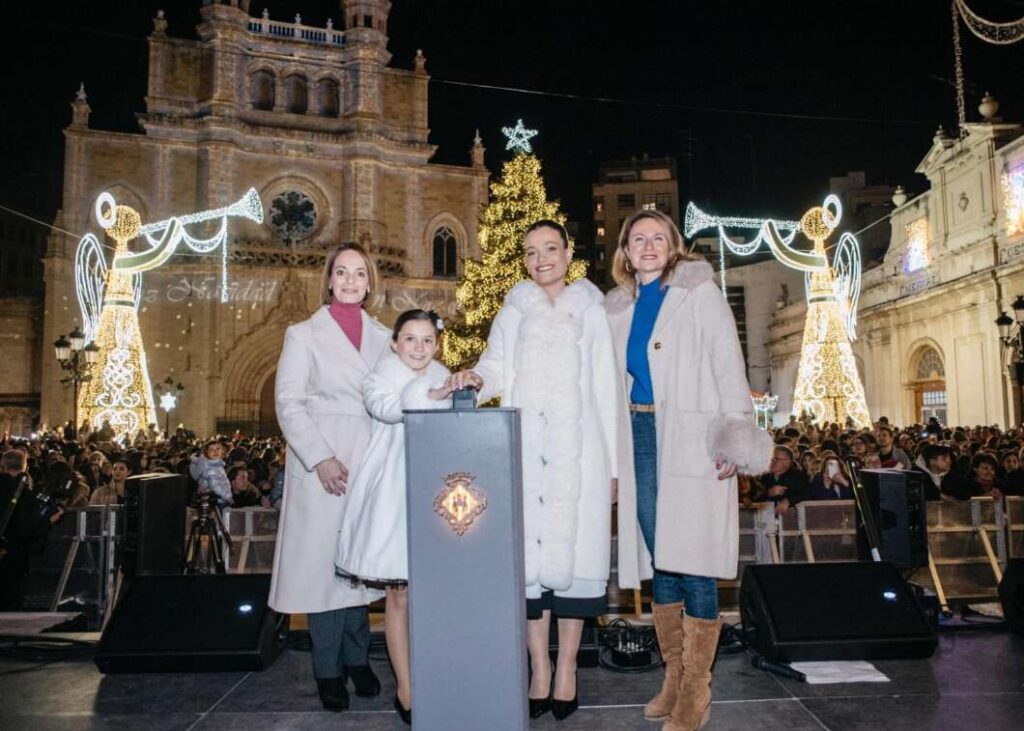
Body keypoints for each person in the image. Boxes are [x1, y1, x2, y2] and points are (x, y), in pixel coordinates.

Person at [601, 209, 771, 731]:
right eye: (637, 240)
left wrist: (734, 435)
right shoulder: (617, 309)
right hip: (642, 438)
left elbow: (727, 360)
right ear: (625, 252)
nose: (647, 246)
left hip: (693, 438)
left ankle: (696, 691)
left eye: (657, 237)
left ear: (672, 245)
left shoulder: (699, 291)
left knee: (694, 560)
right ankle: (674, 678)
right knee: (663, 558)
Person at [448, 220, 618, 721]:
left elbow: (606, 389)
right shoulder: (513, 310)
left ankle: (567, 669)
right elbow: (498, 366)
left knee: (574, 573)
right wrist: (477, 375)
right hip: (523, 455)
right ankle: (537, 669)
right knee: (529, 575)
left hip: (581, 455)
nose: (540, 258)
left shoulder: (592, 310)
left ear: (569, 253)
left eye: (550, 248)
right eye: (530, 251)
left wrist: (611, 468)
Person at [270, 243, 390, 712]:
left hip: (369, 458)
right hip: (321, 462)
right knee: (324, 570)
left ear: (369, 282)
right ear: (329, 279)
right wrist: (319, 457)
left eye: (359, 273)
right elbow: (289, 402)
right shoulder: (303, 334)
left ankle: (358, 659)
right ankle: (328, 668)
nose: (350, 280)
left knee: (359, 565)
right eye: (341, 272)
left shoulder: (384, 335)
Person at [336, 309, 452, 725]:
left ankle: (436, 676)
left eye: (427, 341)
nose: (419, 349)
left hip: (435, 492)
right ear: (394, 343)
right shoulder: (380, 379)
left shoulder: (443, 377)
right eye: (410, 339)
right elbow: (389, 410)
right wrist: (432, 394)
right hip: (393, 492)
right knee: (399, 595)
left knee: (434, 596)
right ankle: (406, 686)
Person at [1, 449, 62, 610]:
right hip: (14, 558)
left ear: (3, 467)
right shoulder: (27, 496)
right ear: (25, 468)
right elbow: (27, 530)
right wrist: (48, 522)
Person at [758, 446, 809, 516]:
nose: (772, 461)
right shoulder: (765, 477)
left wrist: (788, 501)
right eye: (771, 459)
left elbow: (806, 495)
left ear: (788, 461)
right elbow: (755, 498)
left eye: (776, 459)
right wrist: (768, 493)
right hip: (767, 519)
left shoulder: (798, 476)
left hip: (792, 519)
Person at [189, 441, 232, 506]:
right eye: (211, 450)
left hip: (215, 498)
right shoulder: (208, 466)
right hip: (211, 500)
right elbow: (214, 485)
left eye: (218, 449)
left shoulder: (217, 464)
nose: (215, 452)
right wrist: (227, 497)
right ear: (206, 453)